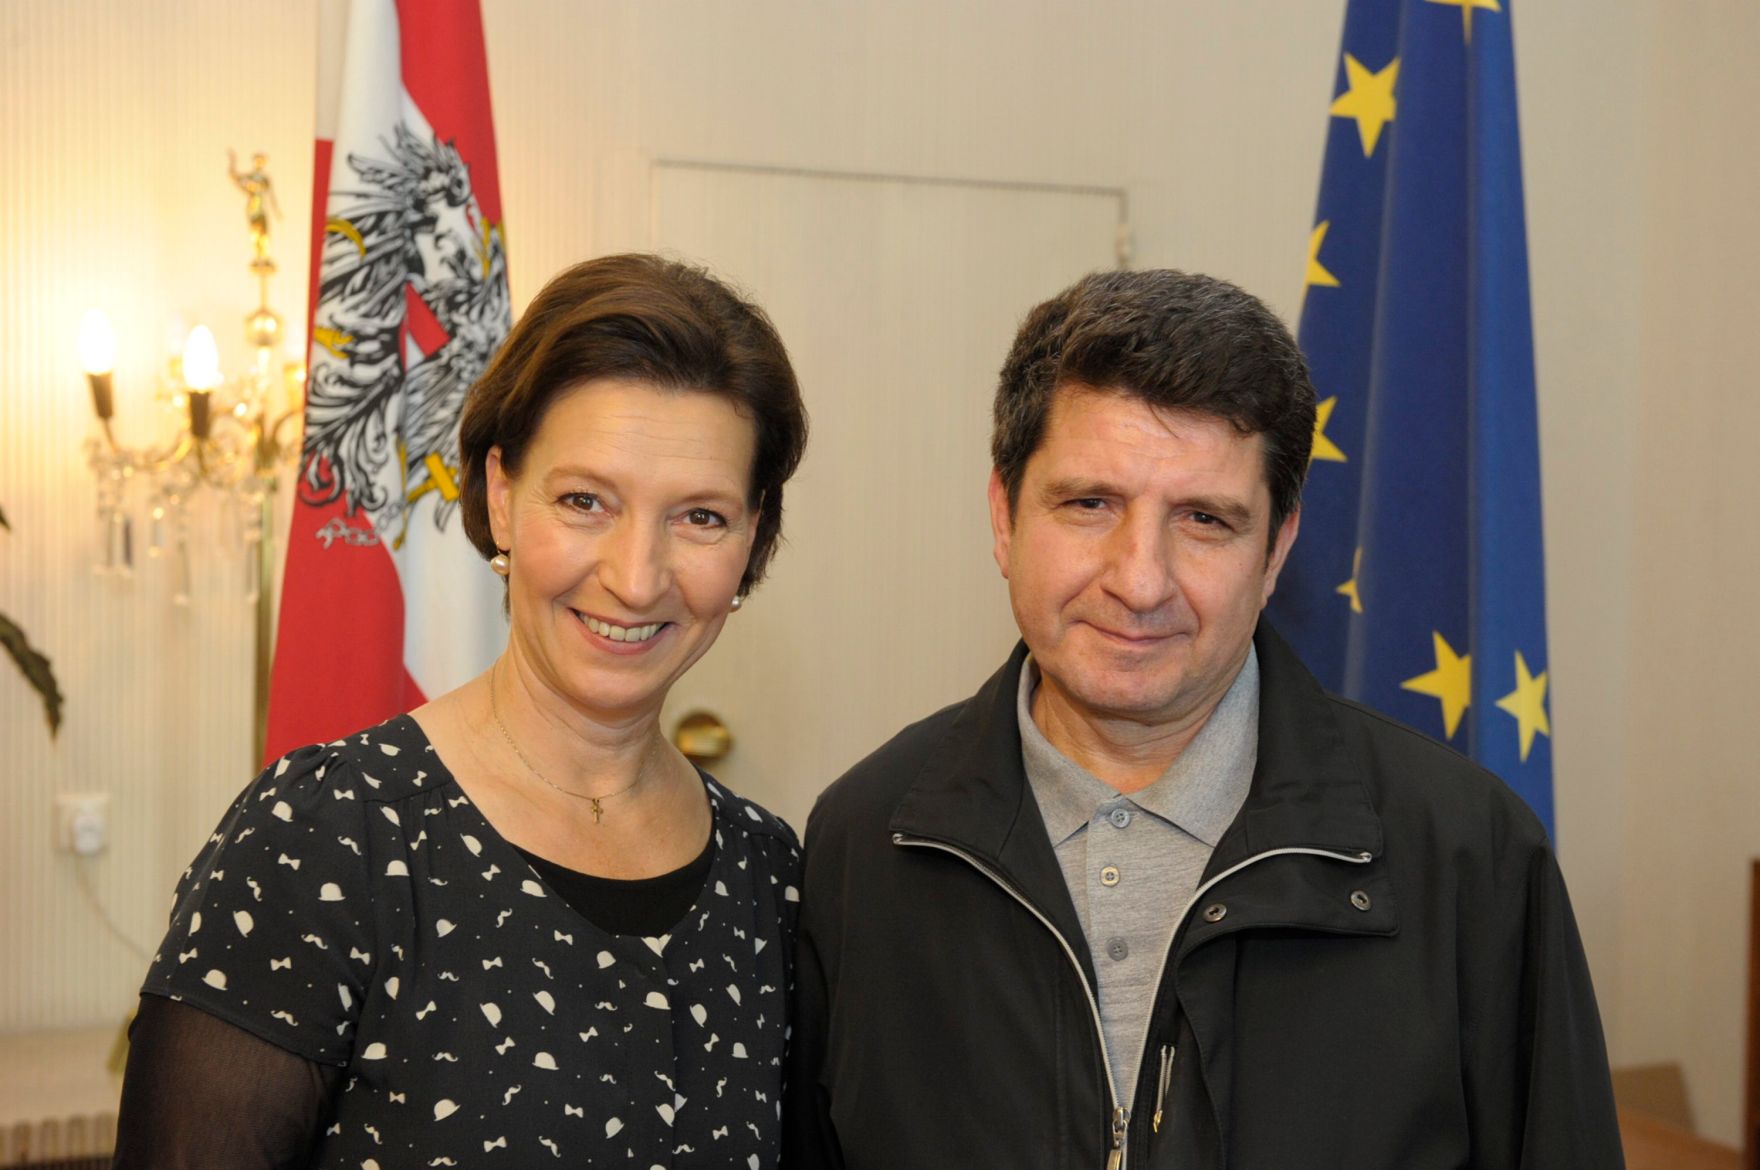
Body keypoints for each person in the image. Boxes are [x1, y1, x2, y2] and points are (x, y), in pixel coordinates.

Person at [784, 269, 1622, 1168]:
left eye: (1205, 520)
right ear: (1004, 515)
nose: (1140, 580)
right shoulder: (866, 842)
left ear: (1277, 550)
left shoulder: (1469, 854)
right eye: (1090, 504)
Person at [115, 253, 810, 1169]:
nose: (637, 578)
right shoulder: (330, 837)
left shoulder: (770, 875)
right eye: (585, 501)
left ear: (752, 536)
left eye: (701, 518)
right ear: (502, 496)